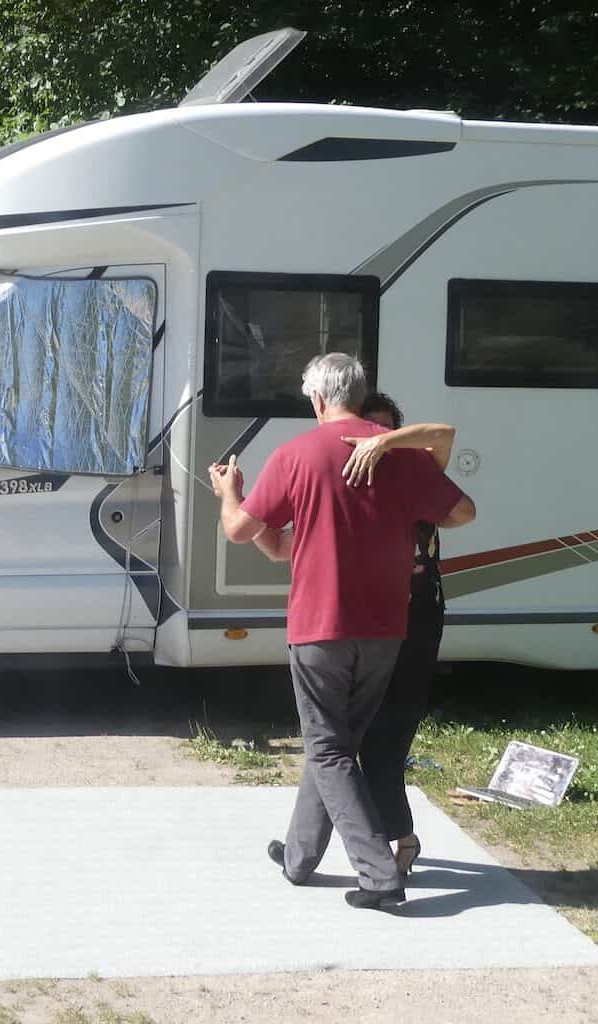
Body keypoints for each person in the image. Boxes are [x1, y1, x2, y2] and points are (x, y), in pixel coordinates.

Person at [209, 353, 476, 910]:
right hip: (386, 627)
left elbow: (238, 530)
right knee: (336, 744)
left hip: (320, 626)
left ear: (318, 400)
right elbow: (463, 513)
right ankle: (299, 858)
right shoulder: (398, 454)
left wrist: (229, 490)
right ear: (359, 394)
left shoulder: (296, 454)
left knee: (328, 748)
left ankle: (378, 875)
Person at [343, 392, 453, 877]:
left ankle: (400, 839)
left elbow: (444, 435)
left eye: (386, 430)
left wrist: (386, 444)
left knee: (385, 740)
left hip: (417, 620)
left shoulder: (417, 471)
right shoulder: (351, 477)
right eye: (368, 430)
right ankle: (317, 844)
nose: (376, 440)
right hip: (368, 619)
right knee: (345, 739)